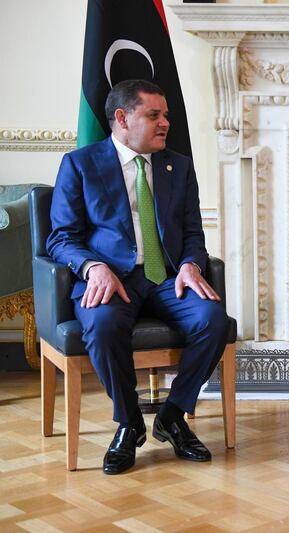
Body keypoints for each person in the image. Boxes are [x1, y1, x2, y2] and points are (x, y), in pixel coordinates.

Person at [47, 79, 229, 475]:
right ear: (122, 119)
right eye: (154, 115)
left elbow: (193, 232)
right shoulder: (80, 164)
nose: (165, 122)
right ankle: (129, 423)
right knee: (104, 323)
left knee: (214, 321)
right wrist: (93, 267)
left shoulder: (178, 166)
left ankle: (173, 415)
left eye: (165, 115)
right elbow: (61, 238)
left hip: (167, 278)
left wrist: (191, 264)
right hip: (112, 278)